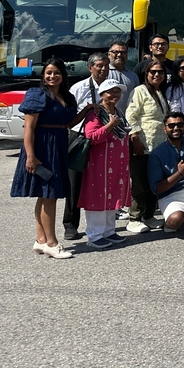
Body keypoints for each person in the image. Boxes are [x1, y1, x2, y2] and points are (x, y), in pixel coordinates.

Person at [10, 59, 94, 259]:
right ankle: (52, 243)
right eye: (48, 73)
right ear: (43, 75)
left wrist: (85, 111)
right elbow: (29, 128)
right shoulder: (37, 95)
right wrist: (30, 156)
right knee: (50, 195)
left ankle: (41, 241)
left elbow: (68, 122)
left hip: (58, 145)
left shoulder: (66, 96)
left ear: (63, 75)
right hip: (41, 146)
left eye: (56, 73)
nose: (52, 76)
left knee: (45, 194)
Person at [79, 80, 132, 249]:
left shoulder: (118, 112)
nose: (115, 95)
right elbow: (92, 137)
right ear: (102, 94)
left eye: (118, 92)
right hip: (99, 163)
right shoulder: (95, 114)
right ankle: (94, 235)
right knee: (98, 195)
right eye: (111, 92)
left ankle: (109, 231)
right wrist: (110, 125)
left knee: (113, 194)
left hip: (116, 162)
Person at [63, 52, 110, 241]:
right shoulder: (78, 88)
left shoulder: (111, 86)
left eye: (106, 65)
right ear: (90, 67)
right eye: (99, 65)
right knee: (74, 183)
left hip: (104, 137)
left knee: (100, 181)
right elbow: (70, 116)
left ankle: (102, 225)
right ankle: (70, 224)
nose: (103, 69)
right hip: (81, 137)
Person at [126, 60, 171, 233]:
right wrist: (135, 137)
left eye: (160, 72)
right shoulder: (140, 91)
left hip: (159, 145)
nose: (157, 75)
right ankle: (134, 217)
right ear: (147, 74)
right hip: (143, 144)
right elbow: (131, 116)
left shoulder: (161, 92)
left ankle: (148, 215)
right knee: (140, 182)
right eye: (153, 72)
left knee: (154, 181)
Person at [106, 41, 138, 114]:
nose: (120, 55)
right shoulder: (104, 73)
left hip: (128, 120)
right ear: (109, 54)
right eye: (116, 52)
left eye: (123, 52)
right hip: (106, 119)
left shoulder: (133, 76)